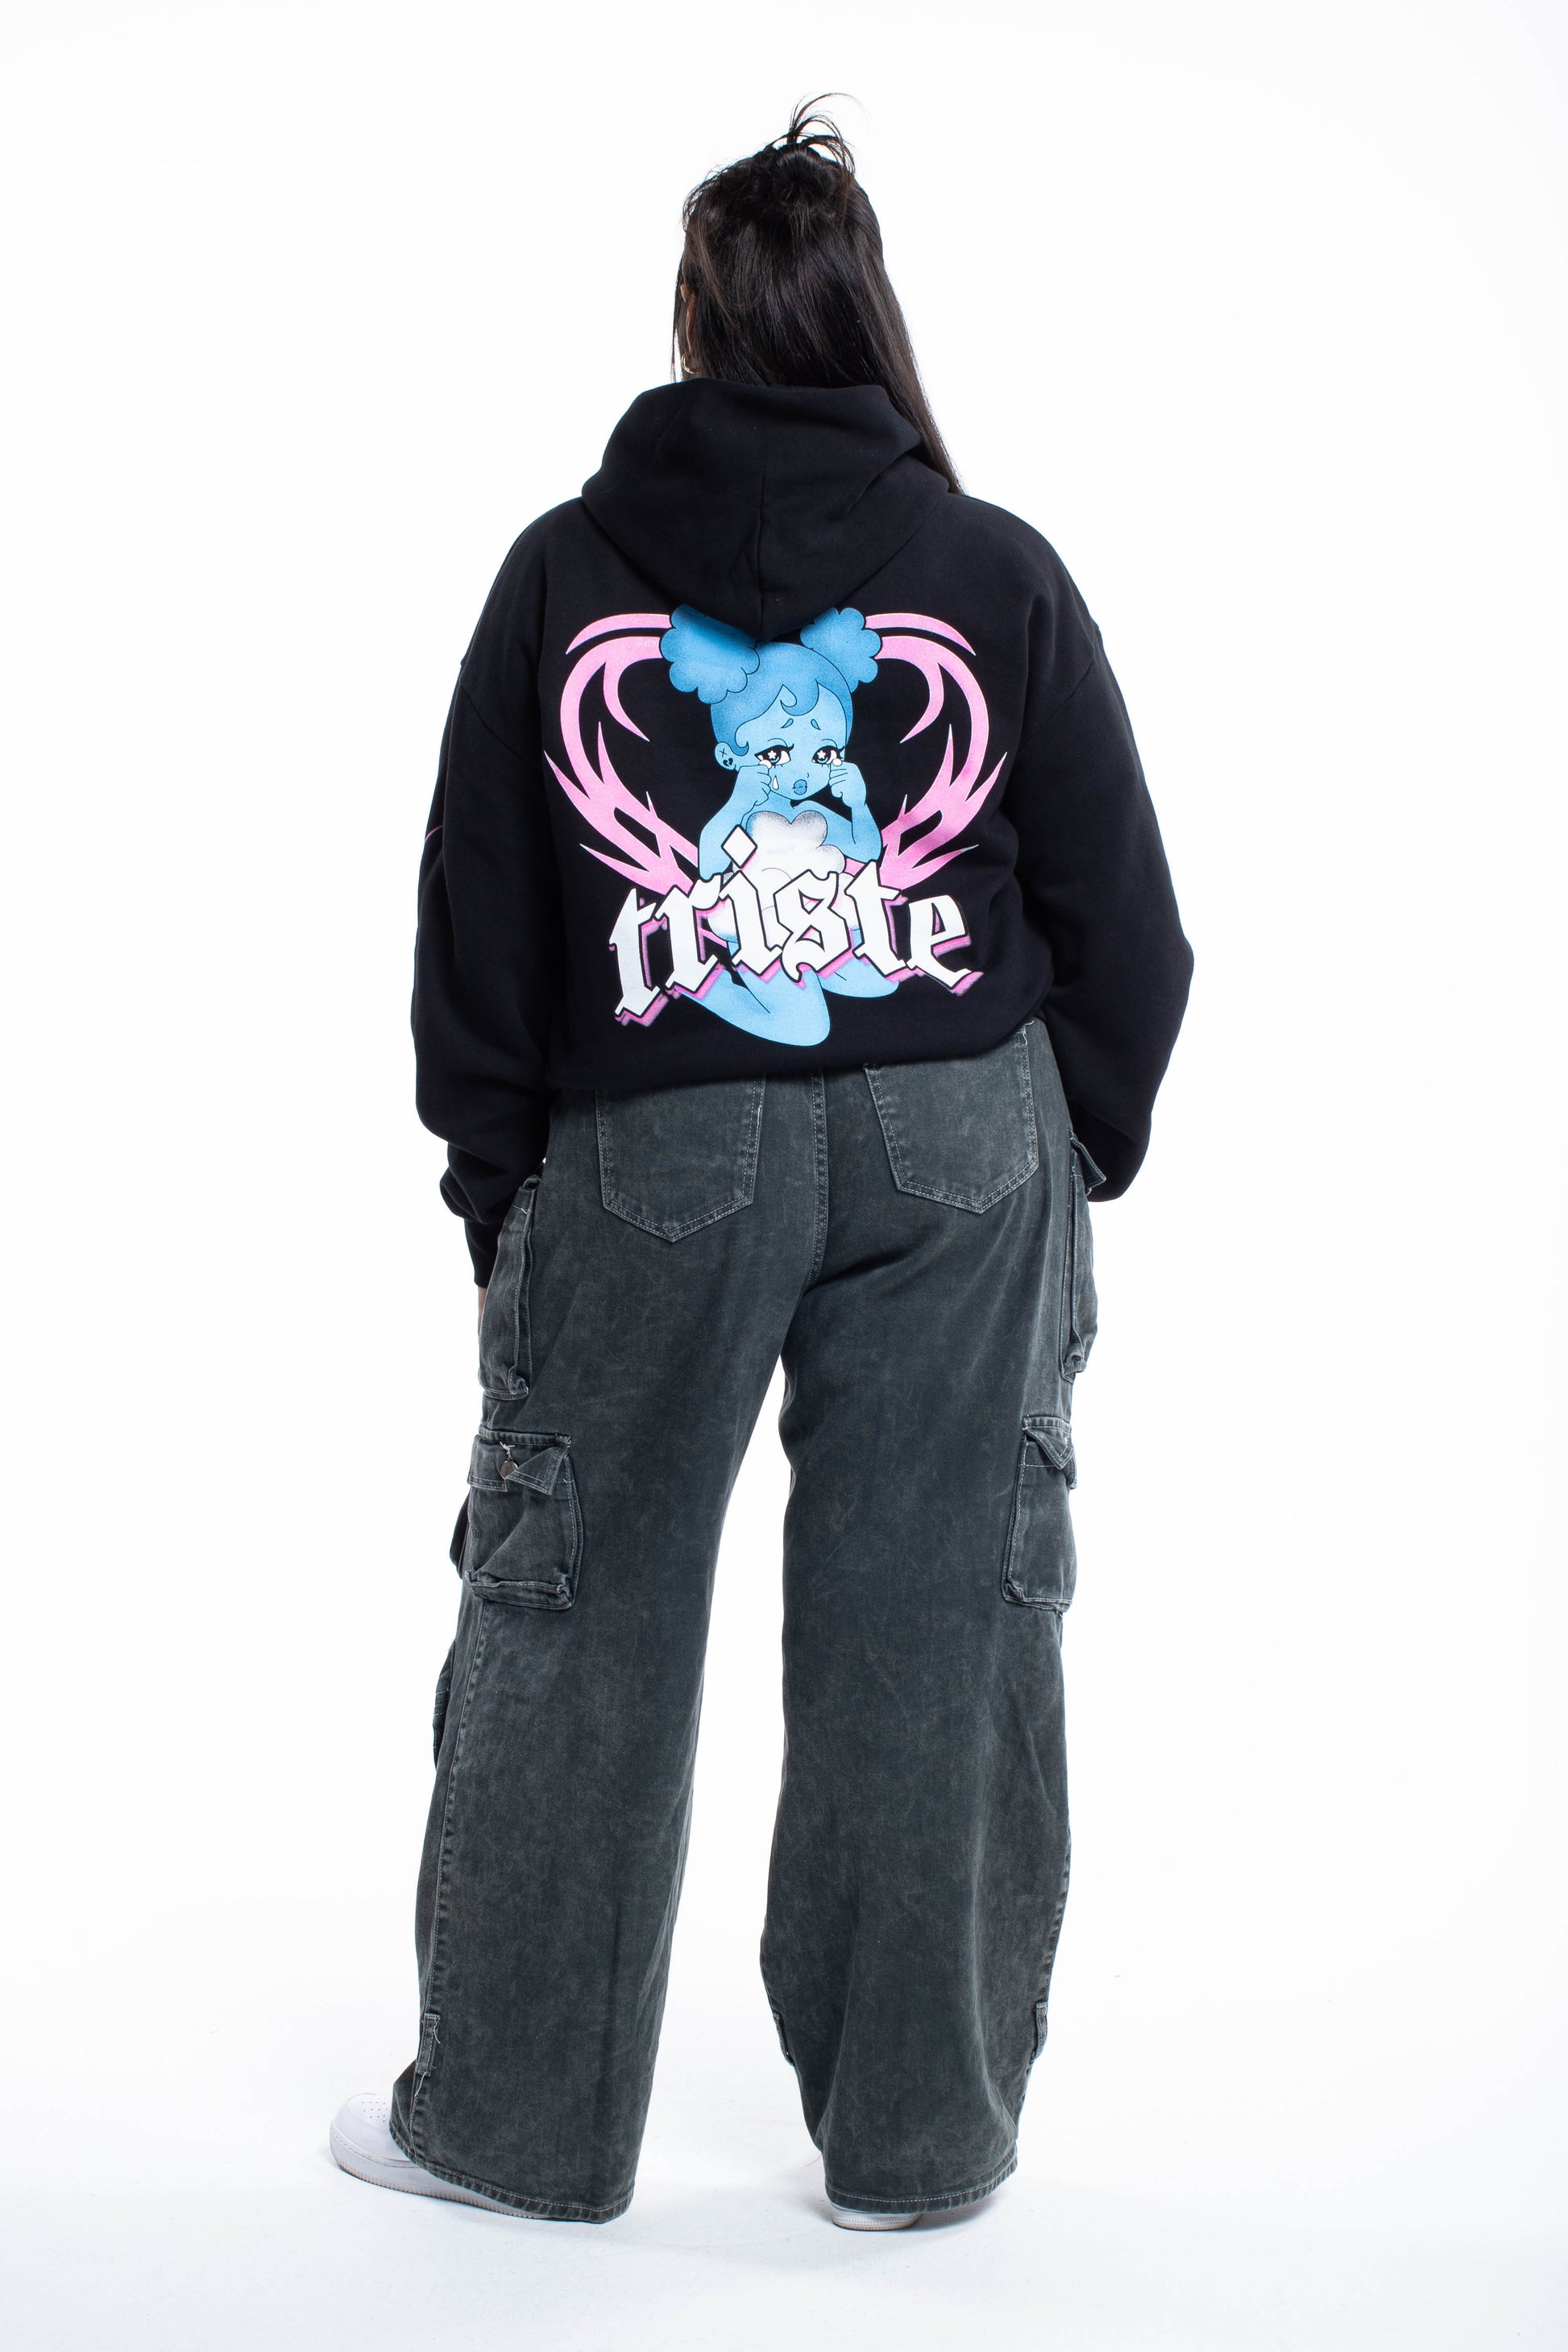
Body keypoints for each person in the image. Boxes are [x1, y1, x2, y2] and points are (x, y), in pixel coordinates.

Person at [330, 101, 1193, 2230]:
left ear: (692, 323)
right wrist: (1060, 1147)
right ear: (869, 319)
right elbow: (1122, 911)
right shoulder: (991, 570)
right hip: (960, 1124)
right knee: (941, 1621)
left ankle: (516, 2131)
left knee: (580, 1613)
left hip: (655, 1134)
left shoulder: (566, 572)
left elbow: (481, 917)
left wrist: (496, 1184)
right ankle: (916, 2150)